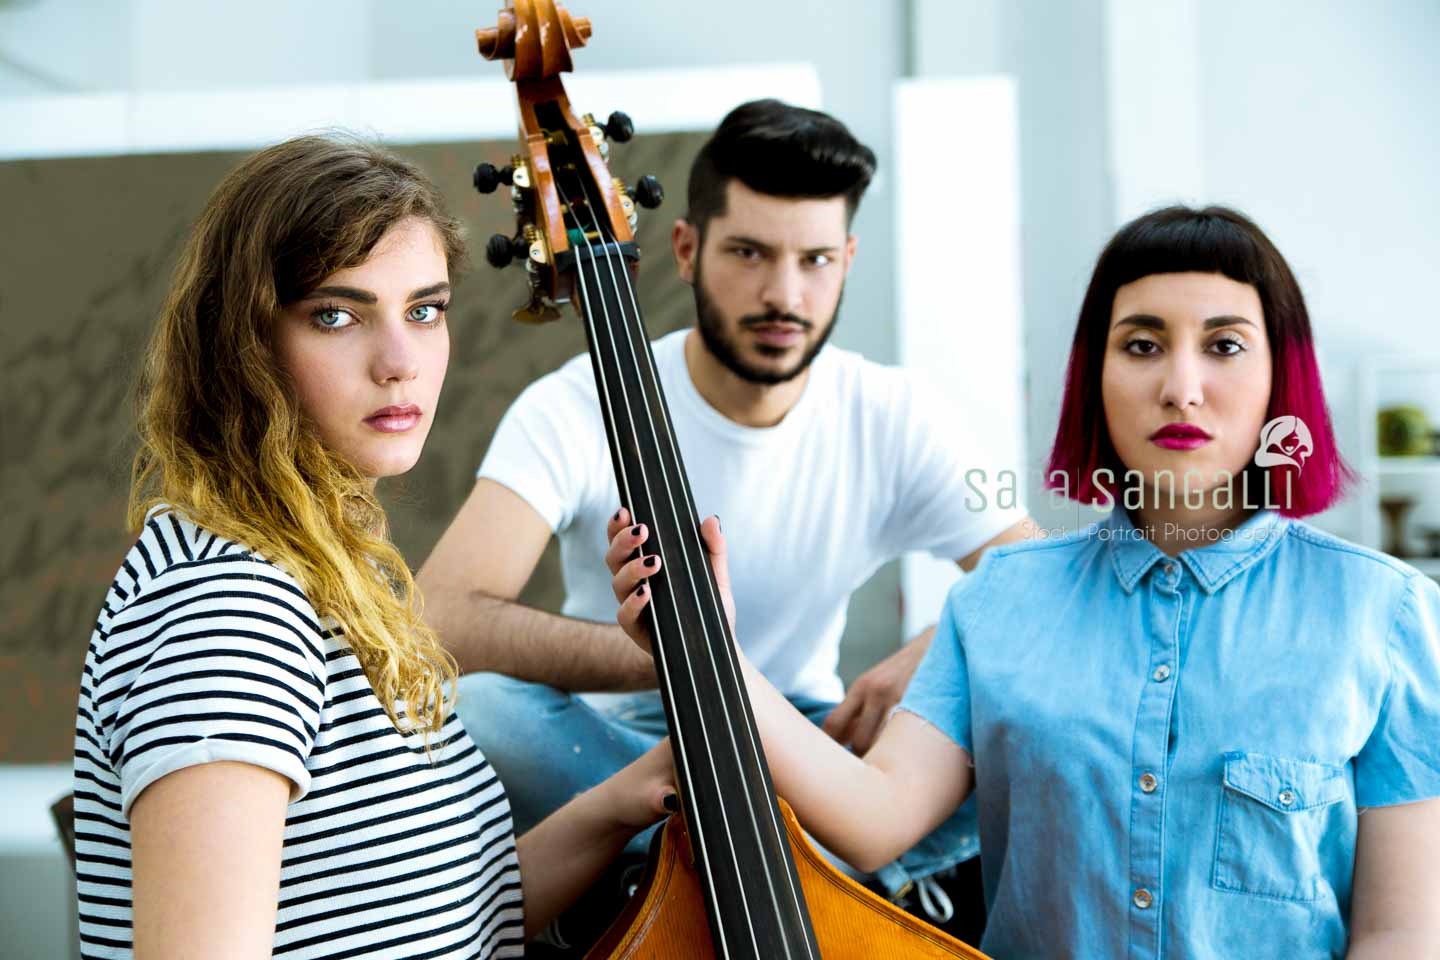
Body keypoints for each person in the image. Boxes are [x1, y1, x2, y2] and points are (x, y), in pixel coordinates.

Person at [608, 206, 1440, 957]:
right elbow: (871, 819)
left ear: (1279, 380)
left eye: (1224, 345)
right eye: (1142, 344)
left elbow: (1401, 934)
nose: (1180, 385)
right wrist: (706, 644)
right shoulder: (999, 600)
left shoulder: (1385, 614)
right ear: (1095, 377)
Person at [71, 134, 674, 960]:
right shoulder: (229, 613)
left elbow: (446, 916)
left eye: (424, 310)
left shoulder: (327, 583)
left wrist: (626, 797)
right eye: (336, 314)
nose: (401, 363)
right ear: (243, 344)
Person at [418, 98, 1032, 908]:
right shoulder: (570, 405)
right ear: (686, 248)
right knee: (477, 713)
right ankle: (817, 873)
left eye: (814, 260)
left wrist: (929, 656)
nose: (784, 292)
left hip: (804, 742)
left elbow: (1032, 575)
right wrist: (665, 651)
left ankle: (670, 874)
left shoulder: (897, 412)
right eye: (749, 252)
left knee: (1022, 714)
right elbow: (440, 614)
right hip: (623, 743)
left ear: (847, 259)